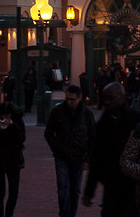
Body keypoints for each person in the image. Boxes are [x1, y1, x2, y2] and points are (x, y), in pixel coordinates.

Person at [83, 82, 140, 216]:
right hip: (111, 184)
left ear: (123, 97)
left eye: (112, 98)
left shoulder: (137, 120)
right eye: (105, 98)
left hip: (133, 184)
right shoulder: (103, 123)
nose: (107, 102)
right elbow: (96, 158)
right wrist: (89, 190)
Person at [45, 85, 96, 217]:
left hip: (79, 156)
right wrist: (56, 148)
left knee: (75, 189)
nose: (69, 102)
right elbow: (49, 133)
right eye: (67, 99)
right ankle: (65, 213)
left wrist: (87, 159)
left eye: (72, 99)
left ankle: (71, 213)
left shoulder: (87, 114)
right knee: (62, 187)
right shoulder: (58, 112)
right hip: (62, 155)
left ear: (79, 98)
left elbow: (92, 138)